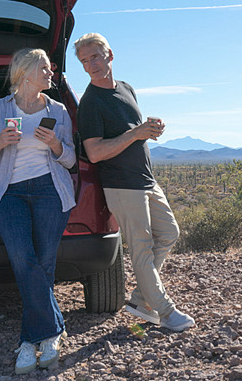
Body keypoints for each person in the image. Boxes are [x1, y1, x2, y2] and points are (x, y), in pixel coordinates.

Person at [73, 33, 195, 332]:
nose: (91, 65)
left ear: (109, 55)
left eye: (95, 57)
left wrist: (152, 128)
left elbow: (135, 131)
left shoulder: (126, 88)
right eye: (85, 61)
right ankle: (165, 312)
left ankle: (141, 299)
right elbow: (95, 151)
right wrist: (136, 134)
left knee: (168, 233)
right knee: (140, 248)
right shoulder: (90, 103)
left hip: (145, 179)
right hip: (120, 184)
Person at [0, 48, 76, 374]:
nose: (52, 73)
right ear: (26, 73)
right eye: (46, 69)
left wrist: (56, 145)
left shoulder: (58, 111)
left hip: (50, 190)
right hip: (9, 194)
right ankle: (51, 329)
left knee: (45, 264)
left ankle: (33, 343)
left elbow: (71, 160)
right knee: (24, 259)